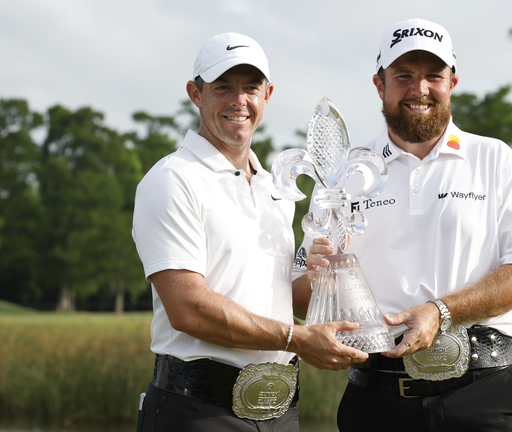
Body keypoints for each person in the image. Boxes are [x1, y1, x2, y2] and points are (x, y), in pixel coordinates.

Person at [292, 18, 512, 431]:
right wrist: (321, 279)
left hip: (484, 393)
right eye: (404, 76)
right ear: (380, 84)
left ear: (453, 82)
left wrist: (441, 311)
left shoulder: (497, 160)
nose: (420, 89)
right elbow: (299, 293)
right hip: (375, 398)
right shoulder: (343, 174)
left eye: (434, 75)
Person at [131, 32, 368, 432]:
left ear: (267, 94)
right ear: (196, 93)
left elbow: (283, 299)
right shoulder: (173, 180)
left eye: (251, 87)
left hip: (280, 414)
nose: (239, 100)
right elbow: (187, 309)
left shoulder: (275, 187)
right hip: (197, 414)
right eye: (223, 86)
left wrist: (318, 278)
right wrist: (296, 339)